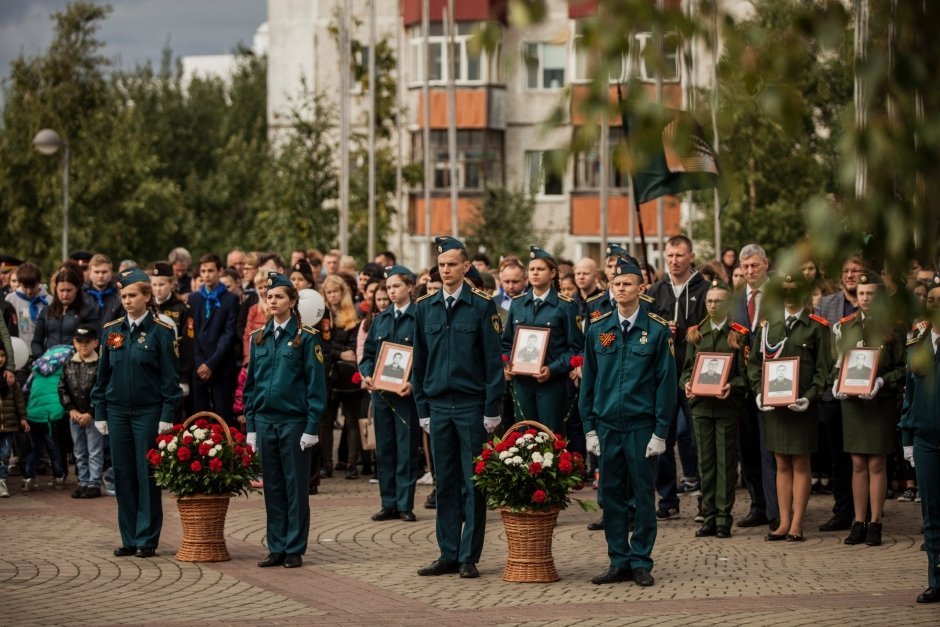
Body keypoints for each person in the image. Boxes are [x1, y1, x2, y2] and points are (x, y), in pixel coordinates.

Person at [580, 257, 676, 586]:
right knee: (611, 496)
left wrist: (660, 432)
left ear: (641, 288)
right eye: (616, 284)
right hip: (607, 427)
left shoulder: (658, 332)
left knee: (642, 496)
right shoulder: (597, 330)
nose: (621, 289)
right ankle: (618, 559)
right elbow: (588, 383)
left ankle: (641, 561)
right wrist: (589, 427)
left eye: (627, 284)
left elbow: (666, 385)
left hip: (641, 428)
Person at [413, 236, 504, 579]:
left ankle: (469, 555)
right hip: (438, 405)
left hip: (470, 405)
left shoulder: (481, 306)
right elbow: (419, 363)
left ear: (467, 267)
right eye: (442, 265)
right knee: (445, 481)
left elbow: (493, 362)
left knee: (472, 483)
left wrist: (491, 407)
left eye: (453, 264)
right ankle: (447, 552)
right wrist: (423, 407)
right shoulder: (425, 307)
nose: (446, 270)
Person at [91, 267, 182, 558]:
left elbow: (170, 379)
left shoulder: (161, 332)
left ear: (147, 296)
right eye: (124, 296)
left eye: (132, 295)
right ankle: (128, 537)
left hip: (148, 412)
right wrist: (100, 410)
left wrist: (168, 413)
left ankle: (146, 539)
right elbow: (102, 375)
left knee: (146, 475)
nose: (127, 301)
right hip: (117, 411)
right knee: (123, 474)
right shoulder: (112, 330)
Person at [243, 272, 326, 569]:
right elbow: (251, 387)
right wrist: (251, 428)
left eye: (279, 296)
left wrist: (311, 426)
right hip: (266, 422)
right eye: (269, 296)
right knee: (273, 487)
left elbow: (316, 388)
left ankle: (294, 547)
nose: (272, 301)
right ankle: (276, 546)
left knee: (295, 487)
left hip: (293, 423)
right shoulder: (259, 337)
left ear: (293, 302)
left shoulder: (306, 339)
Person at [749, 273, 833, 543]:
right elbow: (753, 364)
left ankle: (797, 522)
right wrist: (760, 393)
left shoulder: (816, 327)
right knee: (781, 463)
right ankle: (783, 521)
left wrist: (809, 397)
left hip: (801, 407)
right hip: (775, 409)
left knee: (800, 463)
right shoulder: (768, 325)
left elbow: (823, 370)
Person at [831, 271, 906, 547]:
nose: (865, 298)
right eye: (861, 294)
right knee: (857, 463)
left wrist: (883, 381)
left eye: (871, 294)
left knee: (876, 462)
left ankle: (876, 522)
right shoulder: (845, 327)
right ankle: (858, 521)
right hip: (853, 403)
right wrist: (836, 383)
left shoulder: (893, 328)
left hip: (879, 402)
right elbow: (836, 363)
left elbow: (902, 367)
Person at [646, 234, 708, 516]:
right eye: (670, 255)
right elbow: (644, 333)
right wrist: (661, 334)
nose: (674, 260)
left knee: (697, 439)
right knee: (663, 439)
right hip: (663, 377)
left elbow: (714, 331)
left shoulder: (706, 290)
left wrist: (692, 335)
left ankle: (704, 498)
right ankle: (668, 500)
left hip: (696, 375)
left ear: (691, 256)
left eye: (680, 255)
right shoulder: (656, 291)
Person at [682, 280, 749, 537]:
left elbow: (746, 376)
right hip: (701, 407)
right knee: (705, 463)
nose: (712, 305)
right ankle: (708, 514)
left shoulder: (738, 335)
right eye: (709, 301)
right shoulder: (696, 333)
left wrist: (732, 385)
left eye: (718, 301)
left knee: (725, 464)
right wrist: (687, 384)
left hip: (726, 407)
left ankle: (723, 517)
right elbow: (687, 369)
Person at [360, 265, 421, 522]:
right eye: (388, 288)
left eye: (396, 286)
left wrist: (414, 383)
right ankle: (388, 502)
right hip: (382, 394)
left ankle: (405, 503)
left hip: (405, 395)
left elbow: (427, 357)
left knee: (406, 449)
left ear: (409, 287)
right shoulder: (381, 319)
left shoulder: (420, 317)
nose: (392, 291)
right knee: (385, 449)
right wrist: (367, 374)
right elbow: (369, 356)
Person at [501, 246, 583, 433]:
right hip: (522, 384)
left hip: (551, 385)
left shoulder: (565, 306)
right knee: (523, 439)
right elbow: (506, 343)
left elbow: (576, 348)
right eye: (532, 269)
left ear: (553, 273)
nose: (535, 273)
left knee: (550, 438)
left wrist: (552, 369)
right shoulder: (518, 303)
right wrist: (506, 364)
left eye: (540, 269)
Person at [813, 254, 866, 533]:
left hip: (866, 393)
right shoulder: (826, 304)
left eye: (855, 270)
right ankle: (843, 510)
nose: (850, 275)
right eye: (846, 270)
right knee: (838, 456)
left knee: (865, 455)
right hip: (834, 392)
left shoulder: (874, 305)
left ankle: (867, 512)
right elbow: (820, 349)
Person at [900, 272, 940, 603]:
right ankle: (936, 580)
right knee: (931, 515)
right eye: (932, 301)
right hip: (926, 439)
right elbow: (909, 393)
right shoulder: (916, 342)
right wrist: (907, 439)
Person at [730, 244, 774, 529]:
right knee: (748, 448)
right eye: (745, 267)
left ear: (766, 265)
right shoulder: (734, 301)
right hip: (742, 386)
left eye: (754, 266)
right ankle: (758, 504)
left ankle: (776, 508)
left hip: (773, 383)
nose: (749, 271)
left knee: (770, 447)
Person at [320, 274, 365, 480]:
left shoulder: (352, 315)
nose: (332, 296)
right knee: (326, 420)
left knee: (351, 419)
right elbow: (323, 346)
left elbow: (354, 346)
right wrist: (338, 352)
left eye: (335, 291)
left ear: (342, 292)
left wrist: (337, 350)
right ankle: (326, 463)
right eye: (329, 292)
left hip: (347, 375)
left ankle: (351, 463)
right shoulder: (322, 315)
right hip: (328, 373)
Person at [188, 254, 239, 426]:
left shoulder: (230, 299)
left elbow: (228, 334)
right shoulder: (194, 298)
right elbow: (191, 333)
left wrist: (211, 364)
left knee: (223, 413)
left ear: (220, 271)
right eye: (203, 271)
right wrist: (200, 362)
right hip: (198, 364)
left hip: (220, 364)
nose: (207, 274)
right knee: (199, 414)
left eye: (211, 270)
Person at [58, 324, 103, 498]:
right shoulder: (69, 363)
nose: (83, 345)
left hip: (93, 416)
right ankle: (83, 482)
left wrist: (91, 413)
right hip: (75, 416)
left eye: (88, 341)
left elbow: (103, 391)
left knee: (94, 450)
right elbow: (62, 388)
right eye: (79, 341)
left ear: (95, 343)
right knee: (79, 451)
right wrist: (70, 409)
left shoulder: (100, 364)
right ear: (74, 343)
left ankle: (94, 483)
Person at [32, 267, 98, 357]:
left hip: (77, 362)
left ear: (77, 288)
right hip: (49, 363)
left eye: (69, 290)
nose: (65, 294)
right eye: (61, 290)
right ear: (56, 289)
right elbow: (36, 341)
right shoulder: (47, 311)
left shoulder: (88, 311)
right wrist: (42, 358)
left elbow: (94, 340)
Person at [0, 345, 28, 497]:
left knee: (5, 454)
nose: (0, 359)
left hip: (9, 424)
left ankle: (2, 481)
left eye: (3, 355)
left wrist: (22, 418)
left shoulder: (10, 378)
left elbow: (19, 401)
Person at [5, 262, 49, 349]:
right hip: (18, 351)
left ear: (39, 282)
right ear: (20, 283)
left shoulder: (48, 301)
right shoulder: (10, 300)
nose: (29, 291)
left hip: (42, 351)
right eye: (25, 287)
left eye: (32, 287)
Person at [85, 254, 122, 330]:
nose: (100, 275)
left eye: (104, 272)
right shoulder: (81, 295)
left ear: (111, 272)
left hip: (113, 339)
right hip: (87, 340)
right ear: (90, 273)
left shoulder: (120, 295)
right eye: (97, 272)